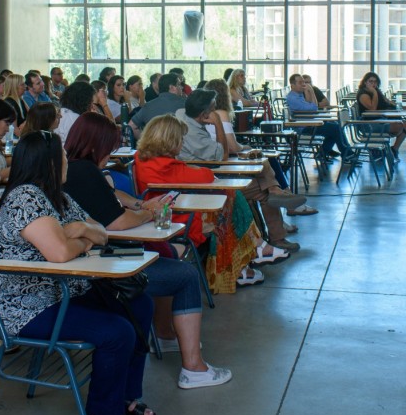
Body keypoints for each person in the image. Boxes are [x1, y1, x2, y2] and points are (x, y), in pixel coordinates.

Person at [0, 131, 156, 415]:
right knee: (116, 331)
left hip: (68, 291)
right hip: (30, 307)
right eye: (64, 156)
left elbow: (102, 233)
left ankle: (126, 397)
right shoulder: (25, 198)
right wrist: (81, 242)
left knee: (139, 305)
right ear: (50, 162)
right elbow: (59, 253)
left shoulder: (59, 196)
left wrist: (79, 228)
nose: (68, 160)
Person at [62, 112, 233, 389]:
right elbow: (118, 221)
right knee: (184, 275)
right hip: (99, 269)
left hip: (92, 259)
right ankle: (193, 367)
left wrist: (138, 206)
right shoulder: (86, 170)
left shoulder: (76, 168)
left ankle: (166, 335)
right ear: (97, 144)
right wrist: (148, 213)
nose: (113, 152)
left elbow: (111, 197)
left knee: (164, 256)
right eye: (110, 146)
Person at [134, 115, 265, 290]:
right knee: (227, 202)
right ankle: (238, 265)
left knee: (227, 199)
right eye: (181, 139)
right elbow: (206, 175)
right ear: (170, 141)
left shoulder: (141, 159)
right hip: (175, 218)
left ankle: (252, 253)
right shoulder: (167, 167)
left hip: (163, 211)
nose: (182, 143)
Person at [177, 89, 302, 254]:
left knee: (263, 167)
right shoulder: (194, 136)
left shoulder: (182, 113)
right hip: (207, 181)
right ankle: (276, 231)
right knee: (264, 191)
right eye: (213, 110)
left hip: (209, 172)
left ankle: (275, 191)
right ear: (203, 114)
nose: (215, 112)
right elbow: (223, 155)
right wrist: (218, 123)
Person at [286, 74, 355, 162]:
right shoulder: (293, 98)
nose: (304, 84)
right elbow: (314, 108)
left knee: (335, 126)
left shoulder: (299, 95)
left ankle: (324, 152)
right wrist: (311, 90)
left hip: (309, 123)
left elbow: (313, 107)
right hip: (304, 127)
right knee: (335, 129)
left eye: (304, 82)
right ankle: (347, 154)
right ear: (292, 85)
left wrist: (309, 92)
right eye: (300, 82)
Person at [355, 72, 406, 160]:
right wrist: (374, 93)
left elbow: (387, 101)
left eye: (375, 82)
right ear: (365, 82)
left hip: (379, 119)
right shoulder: (363, 94)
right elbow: (372, 109)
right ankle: (379, 150)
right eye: (370, 81)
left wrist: (401, 107)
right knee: (400, 126)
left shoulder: (376, 91)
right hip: (368, 124)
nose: (373, 84)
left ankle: (394, 149)